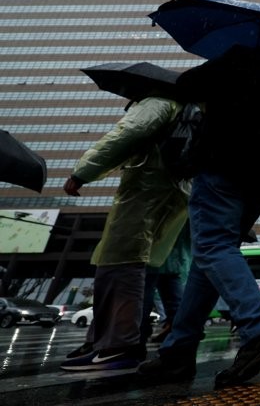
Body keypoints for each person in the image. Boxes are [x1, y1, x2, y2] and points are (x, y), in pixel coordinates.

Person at [137, 40, 260, 387]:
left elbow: (188, 84)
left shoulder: (245, 54)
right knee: (211, 255)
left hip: (225, 159)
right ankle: (178, 351)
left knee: (213, 245)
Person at [61, 96, 190, 372]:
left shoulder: (157, 102)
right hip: (171, 196)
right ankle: (107, 343)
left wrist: (83, 172)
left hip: (143, 192)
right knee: (138, 268)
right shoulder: (188, 109)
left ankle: (118, 347)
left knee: (120, 264)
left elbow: (126, 134)